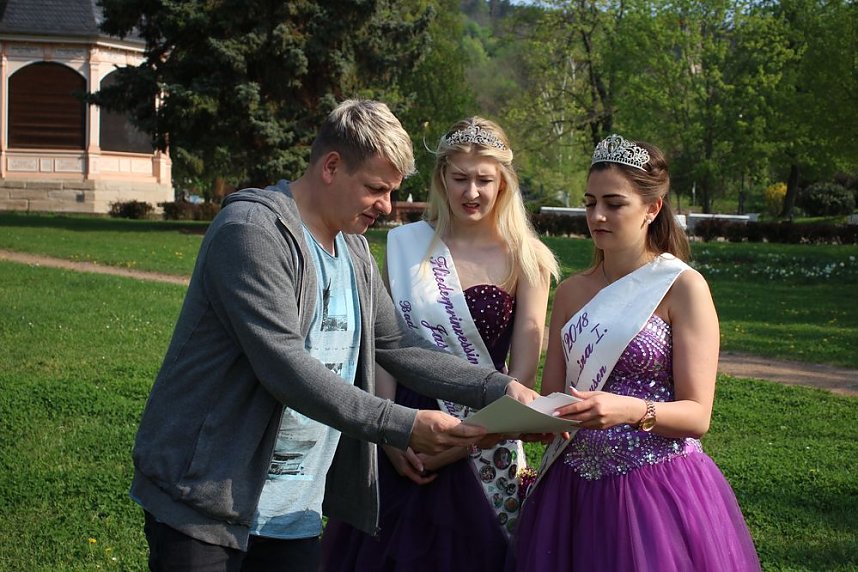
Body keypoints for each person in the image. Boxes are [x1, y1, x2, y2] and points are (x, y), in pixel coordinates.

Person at [130, 100, 538, 572]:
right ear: (331, 166)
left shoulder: (354, 250)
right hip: (205, 502)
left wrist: (497, 387)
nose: (386, 207)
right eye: (375, 189)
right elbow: (285, 367)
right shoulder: (252, 232)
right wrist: (403, 425)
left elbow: (397, 344)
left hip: (294, 511)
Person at [509, 134, 761, 570]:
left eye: (614, 203)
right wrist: (528, 421)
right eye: (590, 203)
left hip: (653, 488)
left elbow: (697, 417)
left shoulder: (683, 287)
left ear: (652, 208)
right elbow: (555, 399)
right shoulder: (570, 292)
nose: (597, 216)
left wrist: (629, 410)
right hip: (570, 492)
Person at [320, 117, 558, 571]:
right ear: (441, 179)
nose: (472, 193)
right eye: (460, 178)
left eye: (484, 180)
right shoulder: (406, 244)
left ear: (503, 182)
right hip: (405, 429)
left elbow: (522, 377)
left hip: (487, 438)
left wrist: (457, 445)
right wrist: (389, 434)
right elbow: (385, 348)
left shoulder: (528, 259)